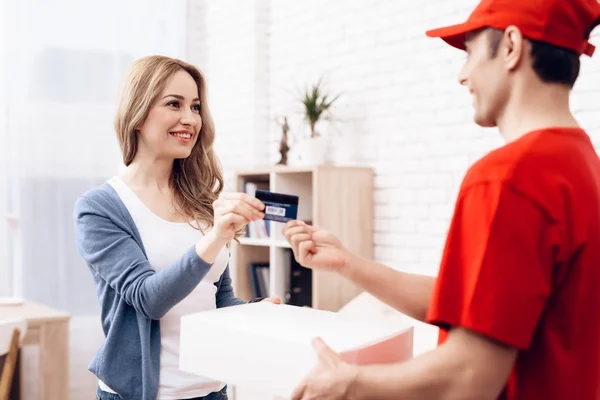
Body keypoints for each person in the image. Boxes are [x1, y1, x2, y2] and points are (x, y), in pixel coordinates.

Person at [282, 0, 600, 399]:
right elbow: (484, 306)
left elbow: (470, 376)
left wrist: (349, 382)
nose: (462, 75)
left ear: (512, 47)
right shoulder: (582, 164)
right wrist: (348, 264)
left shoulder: (509, 176)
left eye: (468, 53)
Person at [73, 55, 279, 400]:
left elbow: (216, 297)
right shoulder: (100, 208)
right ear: (137, 114)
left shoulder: (200, 201)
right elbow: (147, 299)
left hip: (212, 389)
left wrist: (255, 314)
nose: (190, 119)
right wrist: (215, 238)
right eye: (174, 104)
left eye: (196, 107)